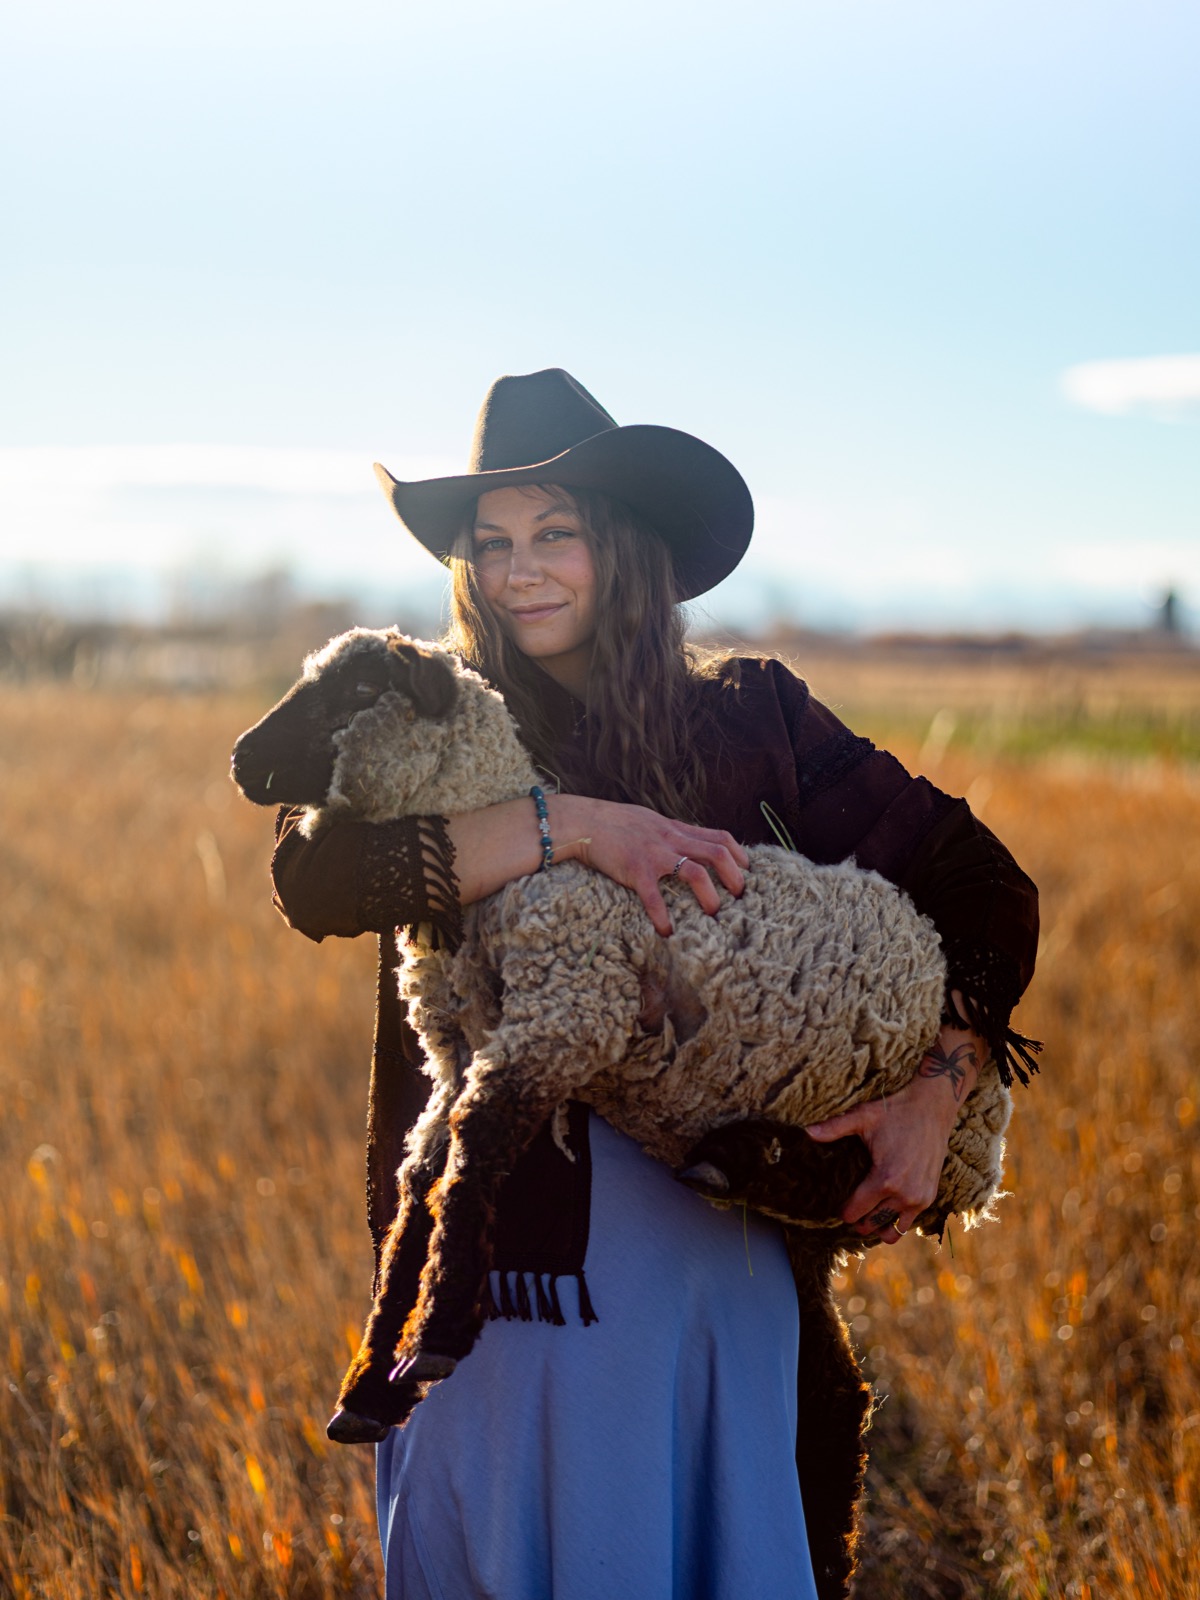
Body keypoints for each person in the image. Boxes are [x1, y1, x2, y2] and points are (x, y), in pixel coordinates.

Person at [270, 369, 1040, 1600]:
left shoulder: (752, 719)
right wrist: (569, 825)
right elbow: (318, 876)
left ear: (624, 544)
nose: (519, 572)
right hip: (492, 1280)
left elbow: (982, 882)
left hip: (711, 1270)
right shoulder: (441, 725)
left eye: (555, 533)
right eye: (492, 542)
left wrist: (938, 1087)